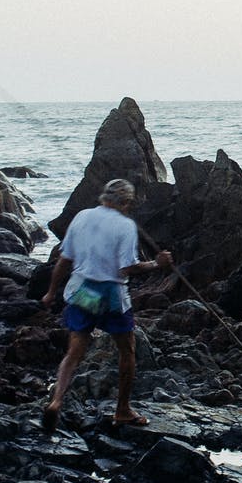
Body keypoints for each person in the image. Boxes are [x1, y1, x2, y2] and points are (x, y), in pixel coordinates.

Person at [40, 178, 171, 431]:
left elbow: (64, 260)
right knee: (127, 351)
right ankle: (122, 410)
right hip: (111, 296)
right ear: (126, 202)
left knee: (73, 352)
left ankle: (56, 401)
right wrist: (158, 264)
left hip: (82, 291)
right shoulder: (125, 226)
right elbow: (128, 268)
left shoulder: (82, 217)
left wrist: (50, 292)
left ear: (104, 197)